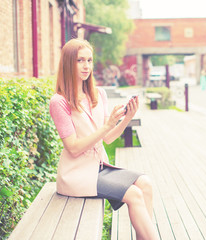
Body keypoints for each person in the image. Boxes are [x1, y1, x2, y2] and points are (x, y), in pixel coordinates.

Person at [49, 38, 158, 240]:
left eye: (89, 60)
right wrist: (108, 125)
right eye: (80, 60)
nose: (86, 66)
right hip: (76, 174)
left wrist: (126, 119)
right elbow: (72, 148)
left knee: (145, 184)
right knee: (134, 195)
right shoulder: (59, 102)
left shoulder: (98, 94)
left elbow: (107, 139)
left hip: (99, 167)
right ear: (68, 63)